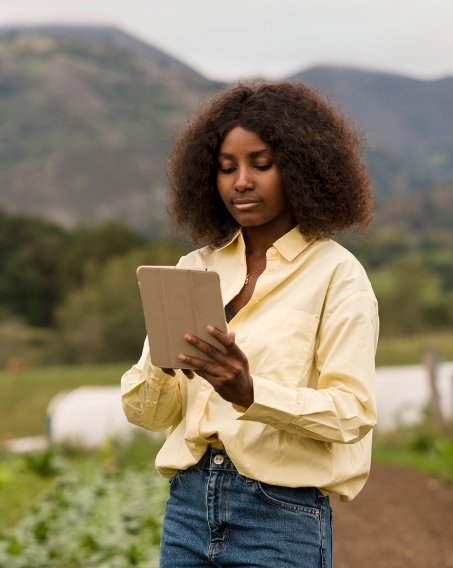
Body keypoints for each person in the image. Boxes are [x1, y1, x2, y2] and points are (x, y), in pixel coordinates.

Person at [121, 80, 379, 568]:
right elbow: (148, 415)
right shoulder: (193, 268)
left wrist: (249, 393)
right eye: (226, 168)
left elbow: (353, 412)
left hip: (281, 517)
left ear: (303, 168)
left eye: (261, 164)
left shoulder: (337, 275)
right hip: (189, 509)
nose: (241, 181)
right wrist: (165, 366)